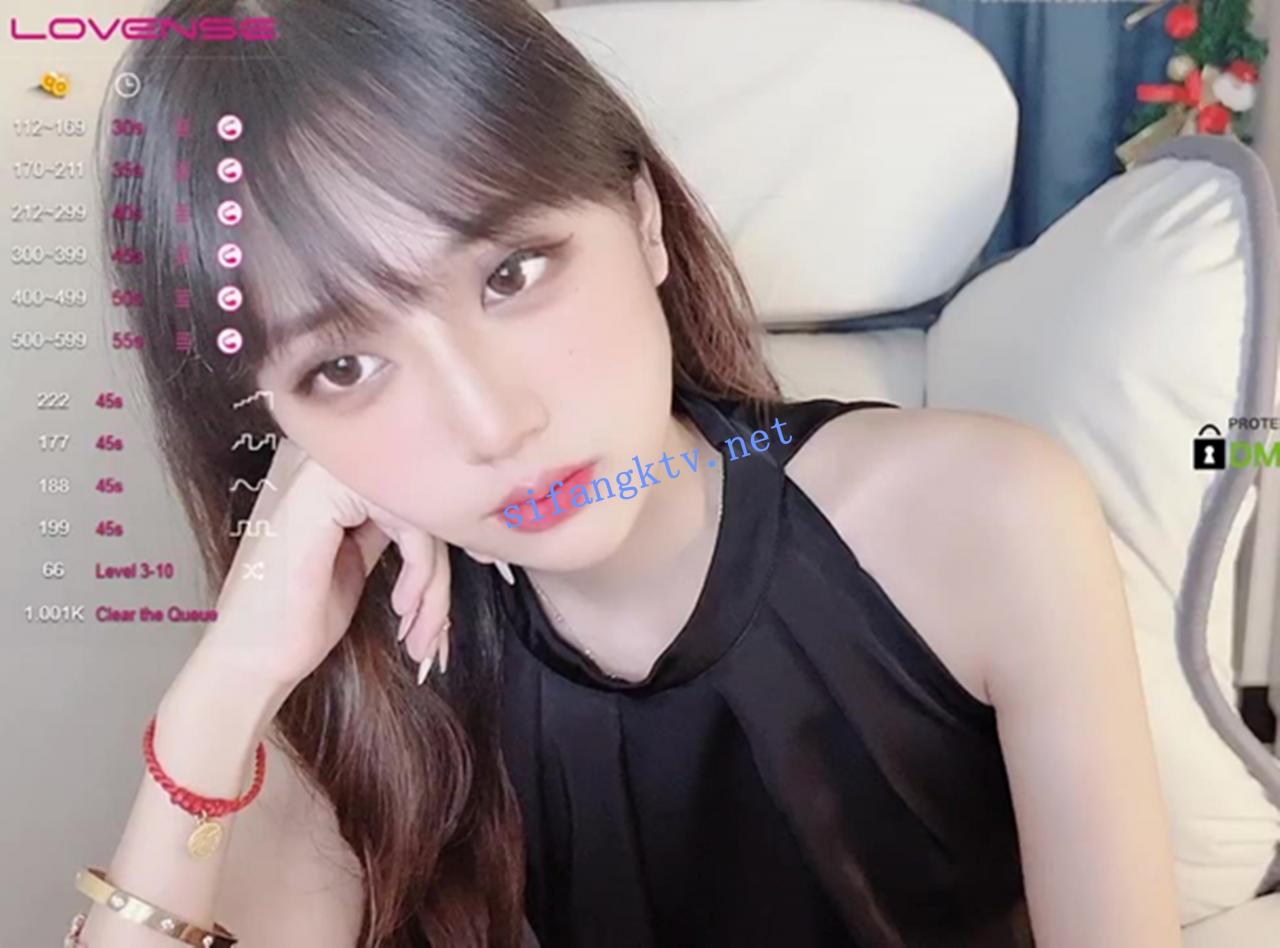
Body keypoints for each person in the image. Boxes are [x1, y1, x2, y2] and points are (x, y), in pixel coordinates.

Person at [74, 0, 1184, 945]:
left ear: (643, 218)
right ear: (277, 422)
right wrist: (223, 691)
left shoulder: (980, 512)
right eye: (344, 367)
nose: (492, 423)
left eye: (513, 272)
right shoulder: (350, 672)